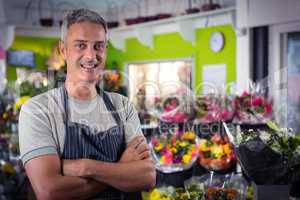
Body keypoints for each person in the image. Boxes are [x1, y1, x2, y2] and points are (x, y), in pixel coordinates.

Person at [19, 9, 156, 200]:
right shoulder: (38, 110)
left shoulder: (122, 105)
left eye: (98, 46)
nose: (91, 55)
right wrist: (120, 168)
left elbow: (147, 177)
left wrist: (85, 167)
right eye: (81, 45)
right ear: (63, 50)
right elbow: (49, 192)